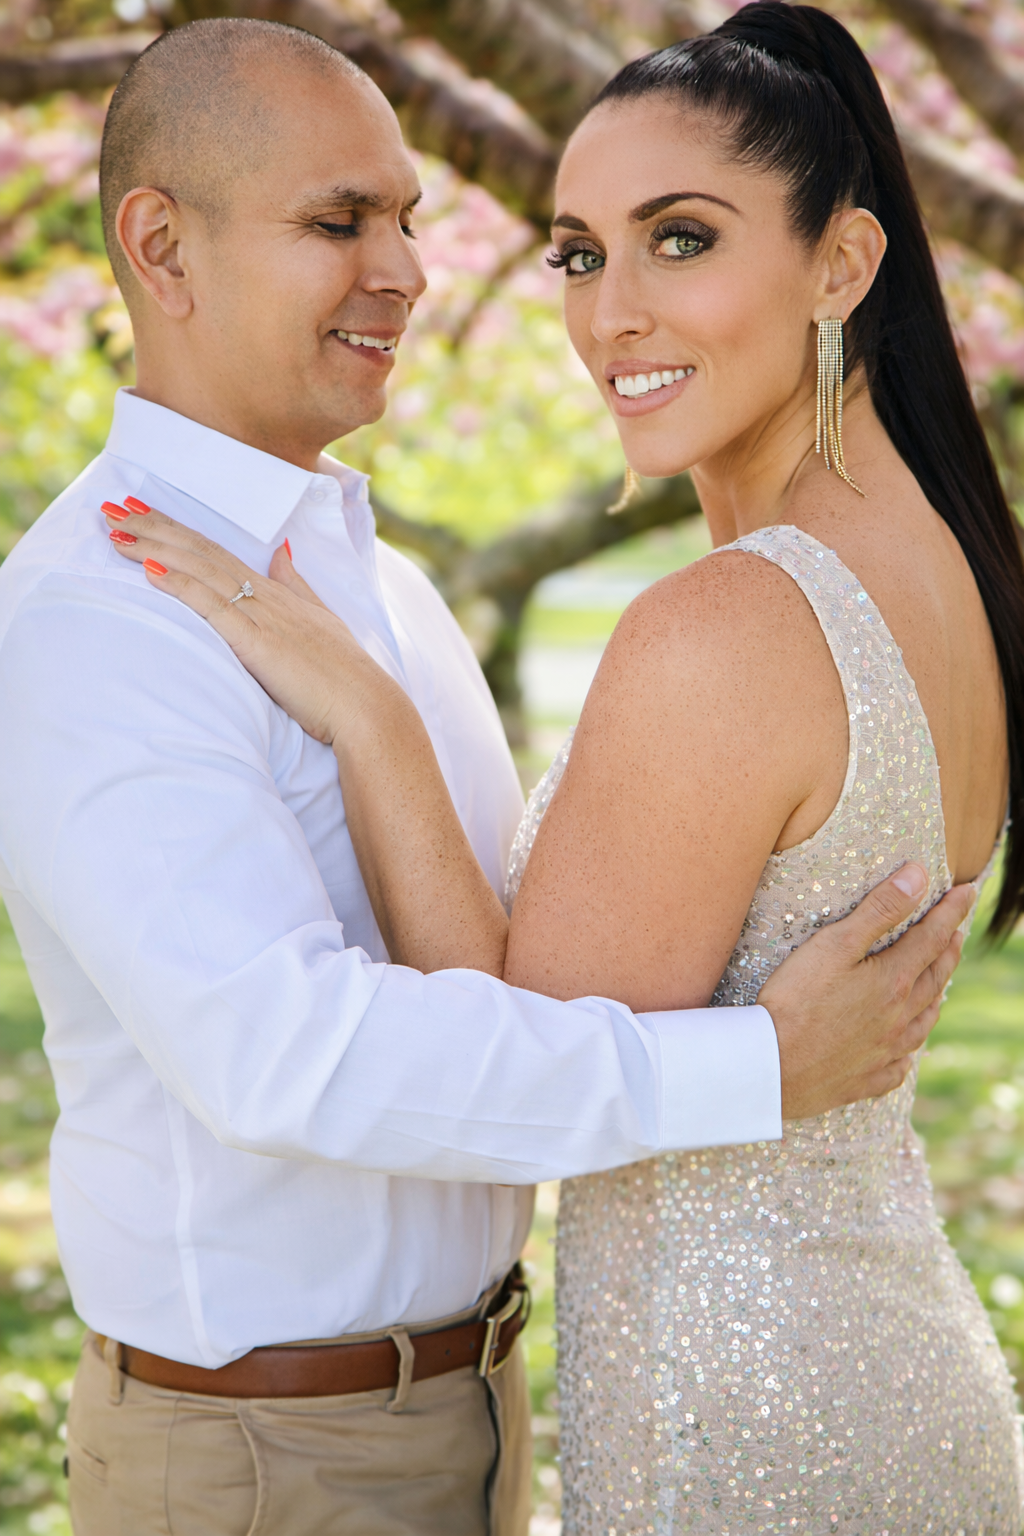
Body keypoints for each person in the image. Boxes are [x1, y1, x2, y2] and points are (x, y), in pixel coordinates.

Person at [0, 16, 973, 1536]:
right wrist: (756, 1069)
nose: (406, 269)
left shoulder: (380, 590)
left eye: (408, 218)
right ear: (161, 249)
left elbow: (530, 967)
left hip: (494, 1406)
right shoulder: (99, 614)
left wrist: (377, 722)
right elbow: (279, 1056)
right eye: (340, 221)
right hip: (270, 1456)